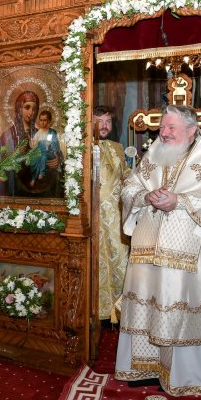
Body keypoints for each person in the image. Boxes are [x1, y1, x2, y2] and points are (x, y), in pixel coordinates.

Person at [116, 105, 201, 396]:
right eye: (162, 127)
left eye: (171, 128)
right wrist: (145, 195)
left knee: (175, 304)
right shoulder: (154, 154)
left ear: (192, 130)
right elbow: (129, 186)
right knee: (146, 302)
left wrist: (178, 201)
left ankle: (184, 374)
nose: (164, 133)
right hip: (147, 248)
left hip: (185, 253)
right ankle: (145, 367)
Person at [93, 105, 128, 323]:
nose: (104, 126)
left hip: (116, 217)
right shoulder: (80, 148)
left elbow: (125, 175)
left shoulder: (118, 147)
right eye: (99, 121)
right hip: (94, 217)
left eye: (108, 121)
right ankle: (97, 309)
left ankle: (120, 310)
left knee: (121, 259)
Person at [0, 90, 41, 197]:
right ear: (19, 109)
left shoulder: (39, 134)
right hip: (14, 186)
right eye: (27, 107)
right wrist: (16, 154)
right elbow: (0, 163)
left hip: (35, 186)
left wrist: (55, 161)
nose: (31, 112)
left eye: (34, 109)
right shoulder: (8, 136)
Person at [29, 108, 63, 191]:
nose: (42, 122)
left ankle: (41, 173)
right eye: (41, 120)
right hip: (39, 151)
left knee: (43, 156)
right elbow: (34, 144)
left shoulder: (51, 132)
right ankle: (34, 178)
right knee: (35, 158)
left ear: (49, 121)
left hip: (49, 152)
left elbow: (54, 144)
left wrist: (56, 155)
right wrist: (32, 144)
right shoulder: (38, 132)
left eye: (45, 120)